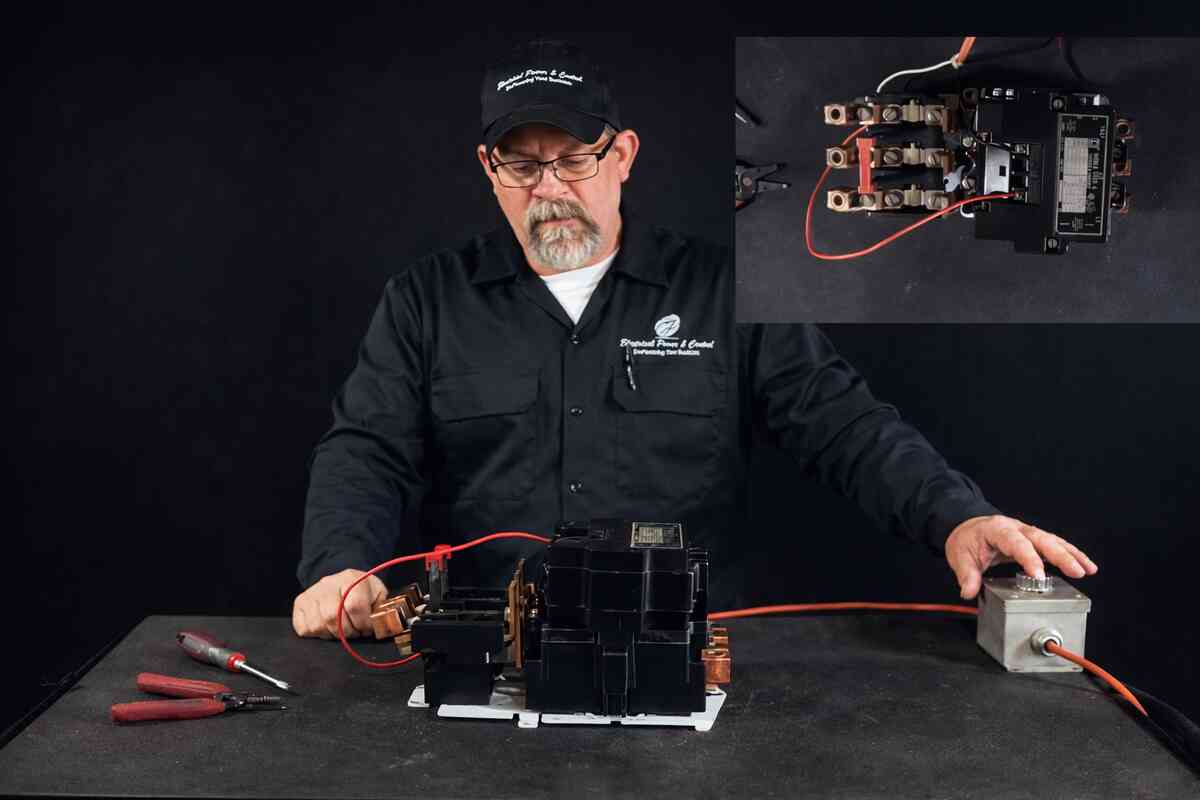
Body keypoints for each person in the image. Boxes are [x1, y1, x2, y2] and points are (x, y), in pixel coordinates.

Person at [292, 40, 1096, 639]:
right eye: (521, 165)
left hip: (690, 655)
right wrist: (337, 567)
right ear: (487, 169)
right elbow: (367, 449)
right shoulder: (425, 301)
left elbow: (844, 425)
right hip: (487, 653)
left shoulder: (724, 291)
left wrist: (956, 517)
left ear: (623, 155)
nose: (550, 190)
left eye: (573, 161)